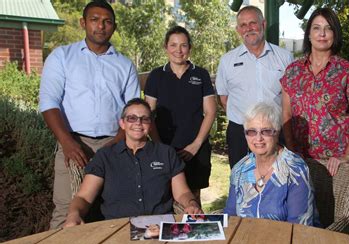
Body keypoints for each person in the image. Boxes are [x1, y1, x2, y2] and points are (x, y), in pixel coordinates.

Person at [39, 0, 140, 229]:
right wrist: (66, 141)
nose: (101, 26)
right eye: (94, 20)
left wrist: (116, 143)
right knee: (67, 211)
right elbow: (49, 102)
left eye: (107, 22)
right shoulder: (62, 57)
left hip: (115, 143)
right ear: (83, 22)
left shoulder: (124, 65)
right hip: (73, 143)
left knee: (114, 209)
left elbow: (133, 111)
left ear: (114, 27)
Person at [63, 98, 202, 227]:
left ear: (151, 125)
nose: (138, 123)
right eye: (132, 118)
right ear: (122, 123)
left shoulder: (166, 153)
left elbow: (182, 192)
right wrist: (74, 213)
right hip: (115, 229)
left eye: (145, 119)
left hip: (160, 228)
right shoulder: (105, 156)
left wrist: (191, 203)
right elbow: (84, 197)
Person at [280, 8, 349, 176]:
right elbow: (286, 114)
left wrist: (347, 156)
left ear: (335, 34)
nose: (322, 33)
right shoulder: (292, 71)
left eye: (328, 28)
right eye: (316, 28)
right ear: (308, 34)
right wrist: (292, 152)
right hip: (301, 162)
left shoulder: (347, 71)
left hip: (335, 166)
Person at [144, 26, 216, 204]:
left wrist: (196, 145)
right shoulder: (156, 76)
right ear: (166, 47)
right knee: (162, 199)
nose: (178, 50)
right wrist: (160, 147)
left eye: (183, 45)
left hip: (194, 150)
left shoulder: (201, 74)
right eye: (173, 45)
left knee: (192, 200)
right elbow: (149, 114)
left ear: (189, 48)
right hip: (164, 147)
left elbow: (211, 111)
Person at [215, 5, 294, 168]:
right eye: (243, 25)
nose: (248, 28)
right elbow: (224, 98)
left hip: (276, 130)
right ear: (238, 30)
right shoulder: (227, 61)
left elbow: (292, 98)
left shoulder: (285, 57)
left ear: (263, 24)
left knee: (279, 180)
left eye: (253, 23)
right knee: (241, 181)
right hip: (240, 133)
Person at [224, 102, 318, 226]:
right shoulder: (240, 169)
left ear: (277, 132)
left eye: (266, 131)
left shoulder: (295, 169)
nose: (258, 138)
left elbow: (299, 225)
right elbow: (230, 216)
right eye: (252, 131)